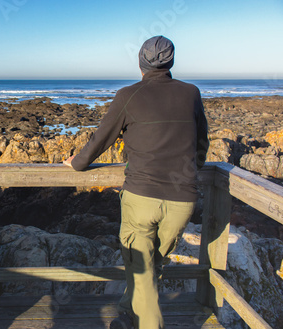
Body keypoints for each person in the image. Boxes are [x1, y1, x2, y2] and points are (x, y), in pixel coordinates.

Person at [63, 35, 209, 329]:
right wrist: (191, 169)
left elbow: (100, 139)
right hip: (182, 201)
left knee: (142, 271)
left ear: (140, 62)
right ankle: (128, 315)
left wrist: (77, 163)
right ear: (171, 62)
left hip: (141, 197)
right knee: (152, 267)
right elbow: (201, 144)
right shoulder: (191, 93)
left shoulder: (128, 95)